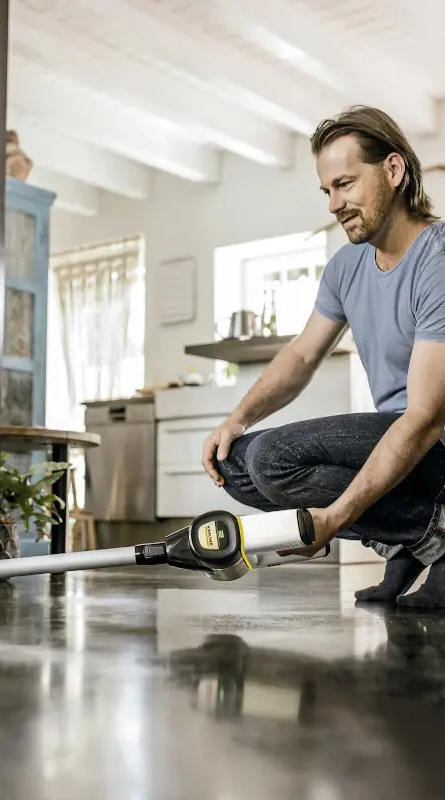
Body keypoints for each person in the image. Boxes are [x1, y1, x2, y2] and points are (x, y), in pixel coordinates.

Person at [201, 105, 445, 608]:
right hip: (406, 444)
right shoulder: (346, 266)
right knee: (237, 463)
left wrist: (334, 518)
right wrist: (236, 419)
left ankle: (432, 536)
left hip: (435, 445)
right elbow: (302, 355)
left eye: (345, 184)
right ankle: (411, 540)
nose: (334, 204)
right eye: (327, 191)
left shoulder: (437, 259)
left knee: (273, 459)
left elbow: (424, 418)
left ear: (393, 170)